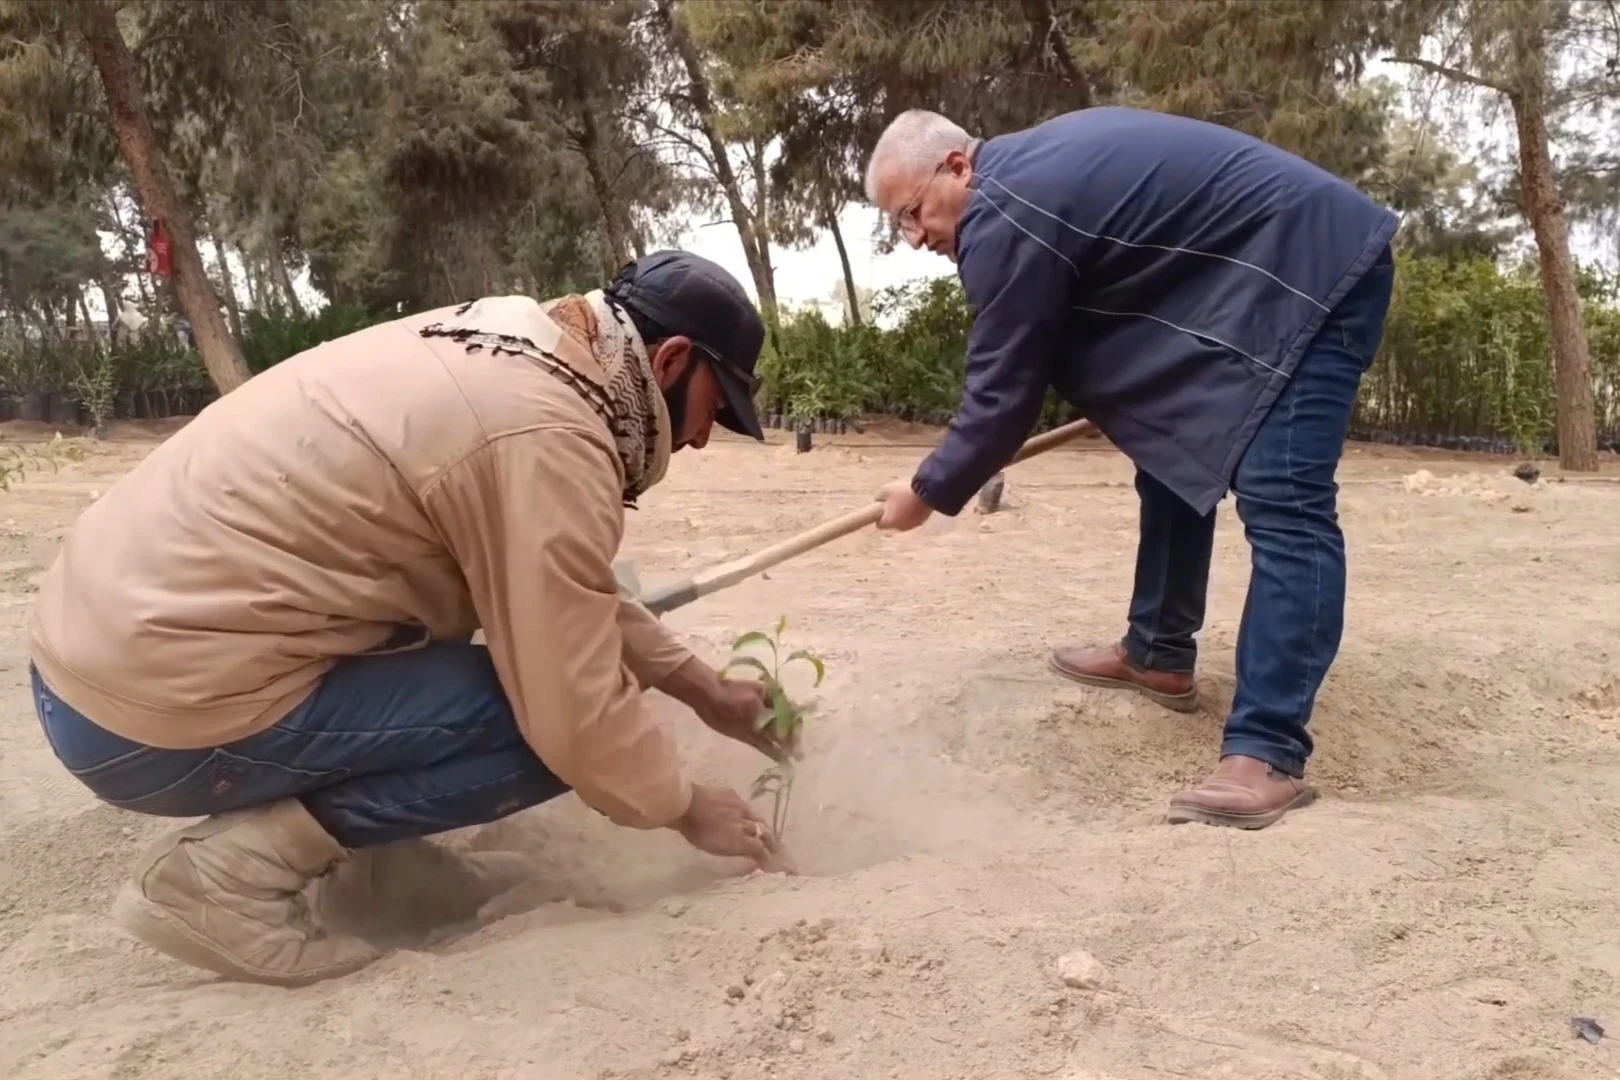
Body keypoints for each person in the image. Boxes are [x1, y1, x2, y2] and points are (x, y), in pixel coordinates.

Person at [29, 250, 788, 986]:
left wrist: (701, 688)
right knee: (544, 723)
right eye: (711, 412)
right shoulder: (549, 433)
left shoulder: (506, 346)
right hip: (145, 714)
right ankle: (222, 880)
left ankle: (381, 868)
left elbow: (559, 585)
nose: (694, 439)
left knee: (510, 670)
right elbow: (572, 704)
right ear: (670, 360)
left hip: (93, 658)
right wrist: (683, 807)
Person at [862, 107, 1398, 830]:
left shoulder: (1004, 210)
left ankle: (1267, 752)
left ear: (958, 166)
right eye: (900, 224)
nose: (916, 236)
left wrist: (926, 490)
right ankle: (1158, 652)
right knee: (1169, 446)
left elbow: (1004, 387)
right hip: (1249, 279)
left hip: (1313, 271)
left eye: (914, 212)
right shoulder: (1022, 186)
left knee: (1285, 502)